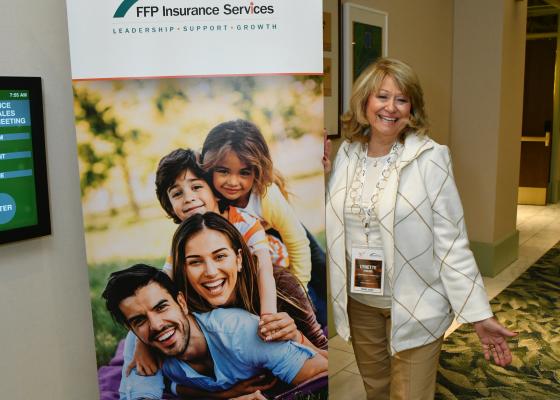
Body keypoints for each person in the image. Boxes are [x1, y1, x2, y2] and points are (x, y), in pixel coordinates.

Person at [325, 57, 517, 400]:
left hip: (416, 301)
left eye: (402, 99)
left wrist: (478, 314)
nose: (391, 108)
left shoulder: (430, 158)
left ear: (412, 108)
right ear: (365, 101)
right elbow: (343, 217)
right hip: (360, 302)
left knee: (410, 394)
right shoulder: (347, 155)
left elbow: (452, 242)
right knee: (377, 391)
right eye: (382, 97)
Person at [155, 148, 327, 350]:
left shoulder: (244, 222)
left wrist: (268, 315)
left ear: (215, 192)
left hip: (283, 290)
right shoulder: (183, 241)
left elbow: (266, 270)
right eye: (177, 193)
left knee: (310, 310)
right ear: (169, 205)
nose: (188, 198)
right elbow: (161, 284)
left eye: (196, 187)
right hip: (242, 298)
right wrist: (142, 344)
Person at [103, 264, 327, 399]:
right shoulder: (141, 348)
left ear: (181, 302)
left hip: (292, 291)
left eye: (161, 307)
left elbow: (322, 371)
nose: (157, 325)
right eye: (139, 320)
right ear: (130, 328)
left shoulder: (241, 333)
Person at [201, 119, 327, 326]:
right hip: (252, 241)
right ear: (209, 167)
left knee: (320, 274)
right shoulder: (209, 192)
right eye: (223, 171)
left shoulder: (266, 195)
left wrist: (299, 291)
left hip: (281, 233)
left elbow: (297, 242)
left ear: (257, 171)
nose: (233, 182)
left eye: (244, 172)